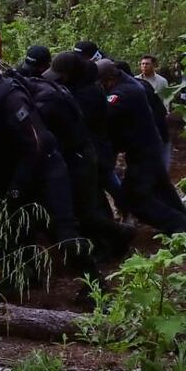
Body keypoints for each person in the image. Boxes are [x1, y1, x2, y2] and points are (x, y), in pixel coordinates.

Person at [0, 62, 92, 264]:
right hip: (7, 167)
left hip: (44, 167)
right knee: (15, 227)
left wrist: (17, 188)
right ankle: (29, 274)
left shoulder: (11, 98)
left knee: (64, 231)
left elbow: (35, 146)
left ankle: (93, 284)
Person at [35, 55, 135, 257]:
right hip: (88, 152)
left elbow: (77, 123)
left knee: (88, 210)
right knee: (94, 203)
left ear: (72, 73)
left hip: (90, 153)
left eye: (61, 75)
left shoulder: (88, 93)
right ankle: (113, 242)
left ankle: (119, 236)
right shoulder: (82, 87)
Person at [96, 59, 186, 234]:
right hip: (149, 147)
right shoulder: (132, 83)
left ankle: (179, 228)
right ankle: (181, 222)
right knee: (163, 190)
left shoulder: (121, 93)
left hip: (143, 153)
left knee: (135, 198)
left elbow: (106, 113)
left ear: (108, 79)